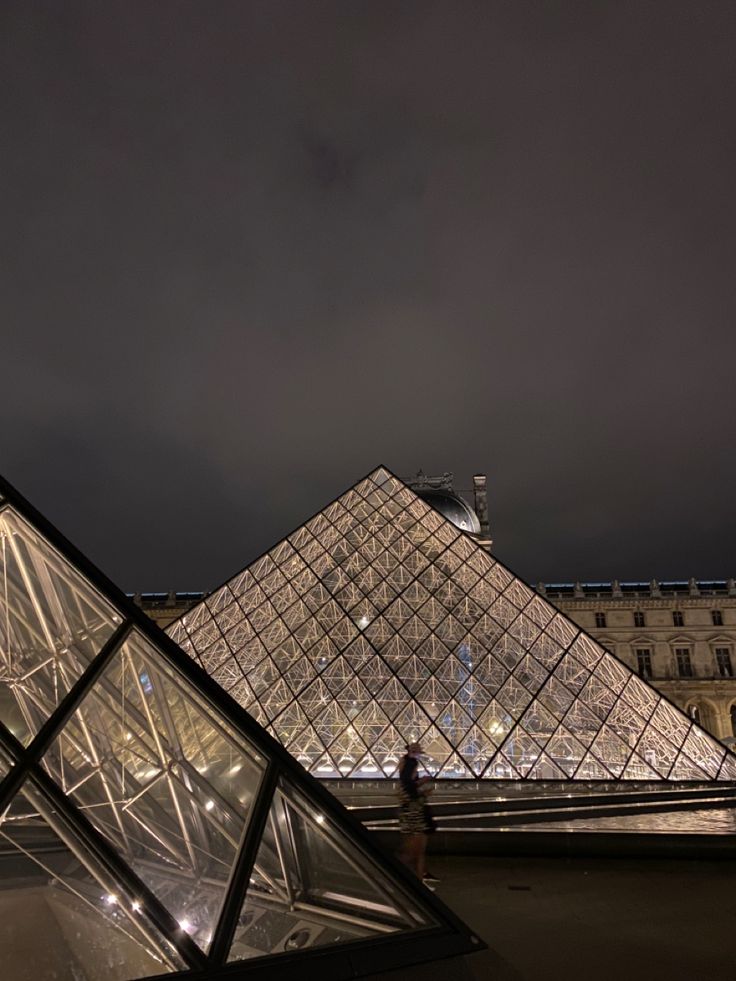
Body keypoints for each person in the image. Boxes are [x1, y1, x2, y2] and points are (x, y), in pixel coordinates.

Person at [397, 741, 439, 885]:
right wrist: (423, 782)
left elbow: (405, 785)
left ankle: (421, 875)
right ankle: (404, 875)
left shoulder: (404, 762)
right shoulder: (411, 763)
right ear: (413, 753)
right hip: (414, 810)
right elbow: (408, 784)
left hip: (408, 809)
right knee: (416, 849)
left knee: (415, 848)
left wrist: (420, 788)